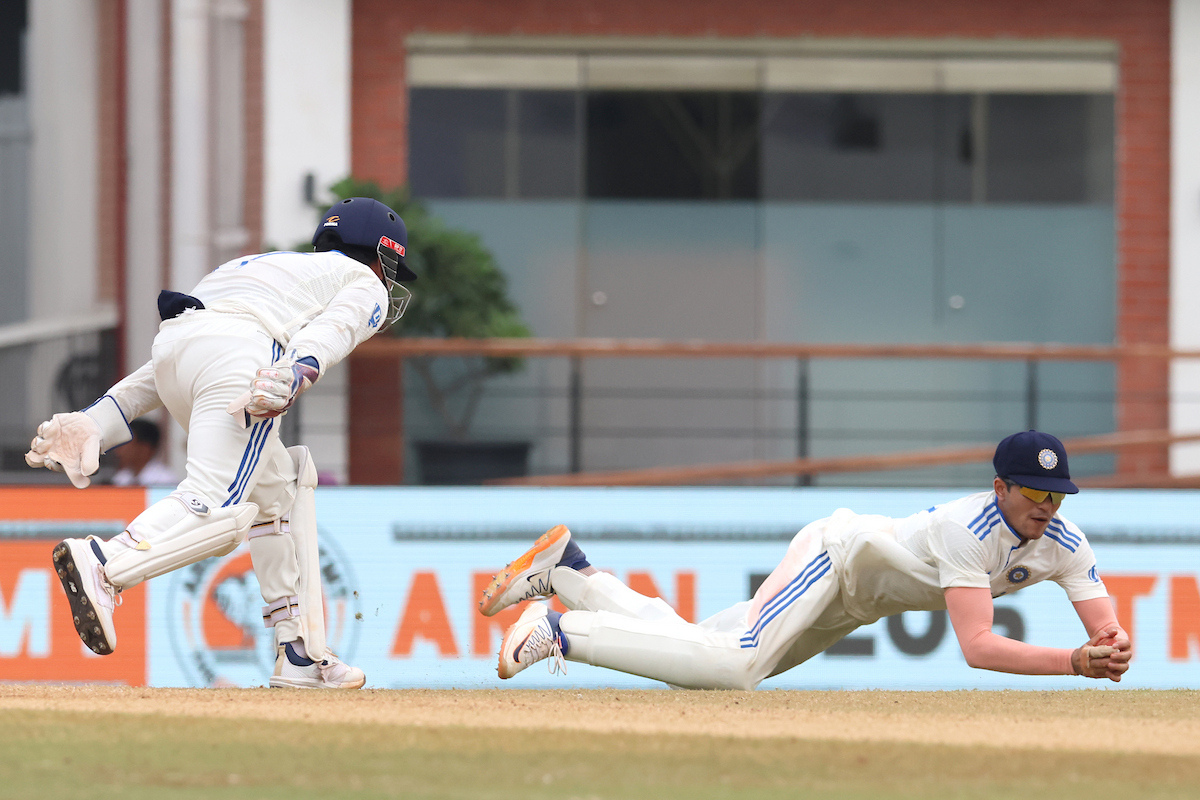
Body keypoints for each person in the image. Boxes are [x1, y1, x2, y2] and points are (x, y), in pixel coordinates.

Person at [26, 197, 416, 690]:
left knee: (277, 490)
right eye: (392, 265)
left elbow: (186, 348)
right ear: (379, 254)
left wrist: (100, 417)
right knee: (216, 510)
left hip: (175, 353)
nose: (390, 277)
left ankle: (297, 653)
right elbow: (333, 330)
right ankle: (106, 563)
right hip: (243, 361)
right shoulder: (362, 282)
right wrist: (298, 370)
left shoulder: (262, 265)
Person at [480, 430, 1133, 688]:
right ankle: (560, 629)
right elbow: (979, 646)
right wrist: (1077, 663)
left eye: (1057, 494)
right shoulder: (970, 527)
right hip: (837, 557)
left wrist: (1113, 644)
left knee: (705, 643)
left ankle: (573, 573)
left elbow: (1104, 628)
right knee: (734, 667)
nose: (1047, 505)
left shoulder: (1067, 544)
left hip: (856, 604)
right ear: (1001, 488)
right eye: (1034, 492)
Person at [110, 418, 180, 486]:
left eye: (124, 445)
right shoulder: (121, 478)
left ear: (144, 448)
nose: (118, 451)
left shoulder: (166, 481)